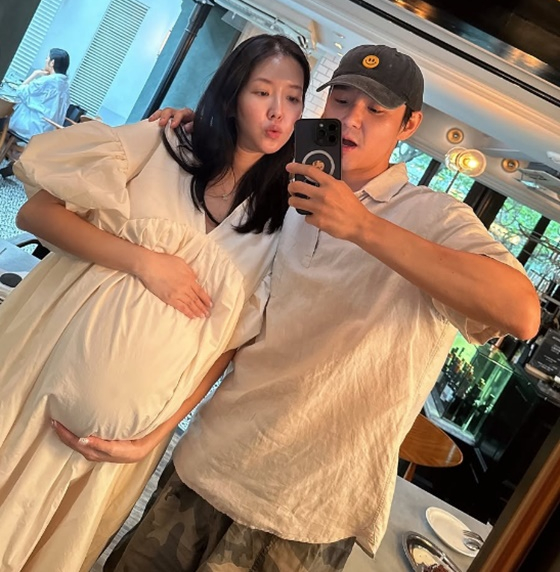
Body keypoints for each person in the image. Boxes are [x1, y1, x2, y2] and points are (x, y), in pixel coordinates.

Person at [75, 45, 539, 572]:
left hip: (305, 514)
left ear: (409, 125)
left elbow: (521, 313)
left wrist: (362, 226)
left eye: (375, 110)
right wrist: (195, 123)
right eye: (341, 100)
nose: (351, 118)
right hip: (206, 464)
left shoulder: (436, 216)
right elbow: (238, 334)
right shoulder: (285, 191)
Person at [0, 34, 309, 572]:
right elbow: (36, 215)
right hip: (35, 385)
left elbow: (227, 346)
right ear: (232, 94)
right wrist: (143, 261)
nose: (278, 112)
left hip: (113, 452)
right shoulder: (162, 144)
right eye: (262, 92)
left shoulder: (281, 220)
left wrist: (154, 437)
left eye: (294, 97)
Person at [0, 48, 71, 179]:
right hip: (46, 132)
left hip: (30, 126)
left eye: (47, 58)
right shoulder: (65, 86)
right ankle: (15, 159)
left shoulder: (47, 81)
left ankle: (12, 155)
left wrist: (35, 74)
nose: (45, 60)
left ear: (52, 63)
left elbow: (20, 91)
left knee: (3, 119)